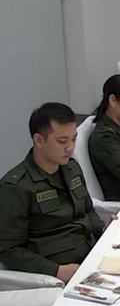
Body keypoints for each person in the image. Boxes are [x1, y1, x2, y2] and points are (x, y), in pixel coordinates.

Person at [0, 103, 110, 283]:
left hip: (93, 254)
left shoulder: (71, 168)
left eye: (73, 139)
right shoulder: (16, 187)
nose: (70, 148)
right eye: (62, 141)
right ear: (39, 141)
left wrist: (102, 228)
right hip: (62, 272)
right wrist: (56, 270)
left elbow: (87, 210)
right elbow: (8, 250)